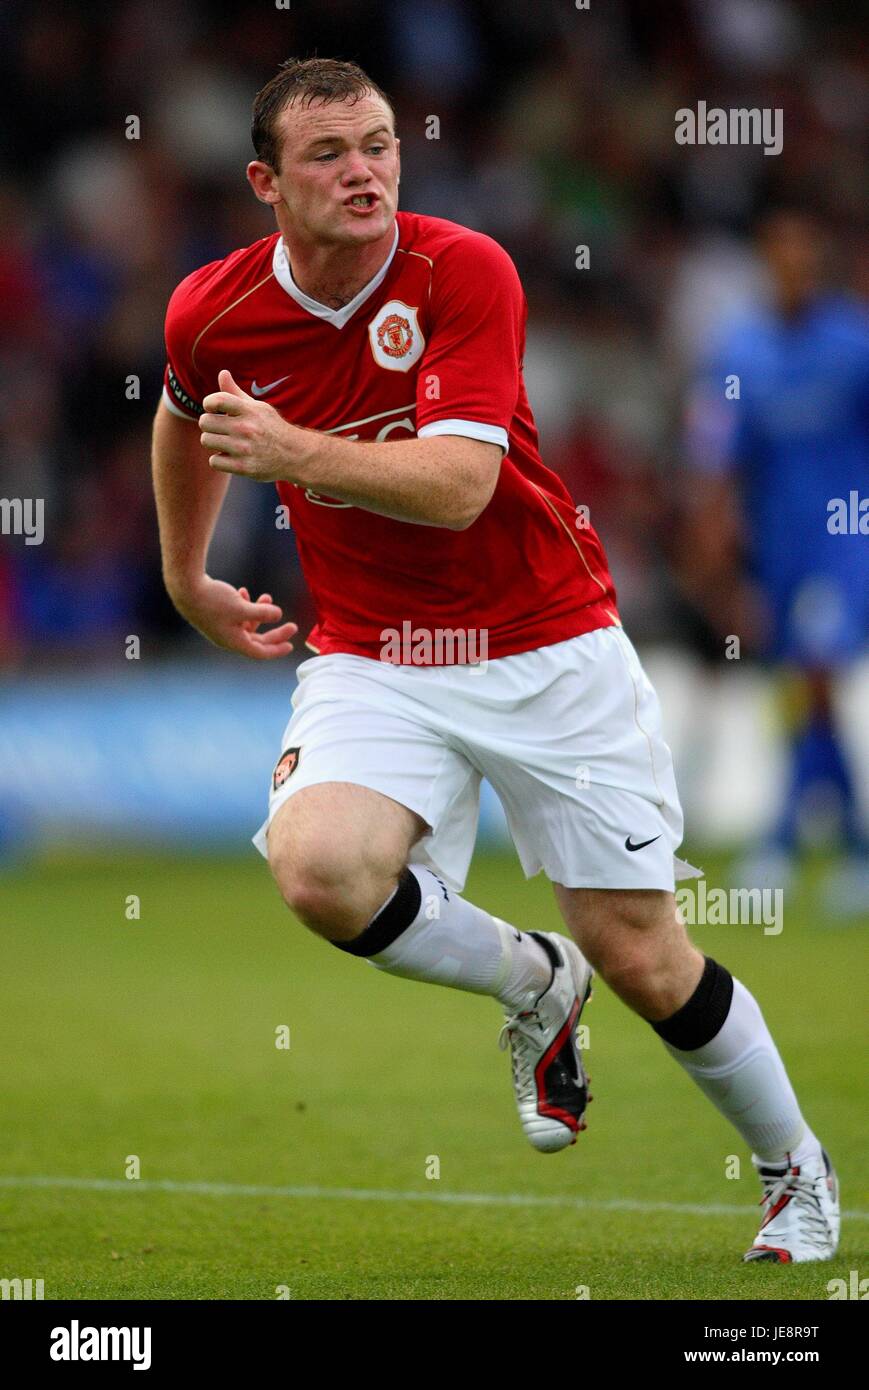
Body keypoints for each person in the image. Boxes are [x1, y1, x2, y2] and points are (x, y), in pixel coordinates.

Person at [152, 58, 839, 1263]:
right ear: (265, 181)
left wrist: (291, 449)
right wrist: (184, 574)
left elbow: (459, 488)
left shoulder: (463, 269)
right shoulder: (210, 308)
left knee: (641, 950)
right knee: (317, 870)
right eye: (328, 154)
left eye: (376, 144)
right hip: (373, 652)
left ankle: (795, 1173)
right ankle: (531, 980)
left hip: (545, 639)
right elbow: (185, 411)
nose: (363, 169)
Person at [687, 207, 869, 914]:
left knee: (814, 673)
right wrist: (717, 559)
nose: (794, 266)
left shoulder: (852, 343)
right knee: (794, 689)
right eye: (781, 253)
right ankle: (843, 840)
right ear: (765, 260)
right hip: (778, 547)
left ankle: (796, 839)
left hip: (846, 539)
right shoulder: (738, 352)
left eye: (805, 253)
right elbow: (715, 459)